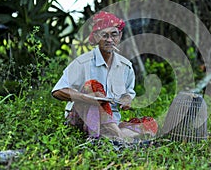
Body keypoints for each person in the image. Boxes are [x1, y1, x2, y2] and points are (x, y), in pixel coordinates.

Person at [51, 11, 157, 142]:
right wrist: (88, 98)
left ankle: (112, 136)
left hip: (112, 122)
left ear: (120, 36)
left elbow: (129, 93)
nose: (110, 40)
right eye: (104, 35)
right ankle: (119, 137)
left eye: (114, 35)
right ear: (95, 37)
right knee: (93, 86)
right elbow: (57, 91)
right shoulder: (82, 63)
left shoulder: (126, 66)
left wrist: (126, 99)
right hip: (80, 120)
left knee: (150, 123)